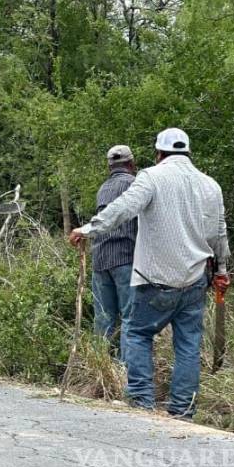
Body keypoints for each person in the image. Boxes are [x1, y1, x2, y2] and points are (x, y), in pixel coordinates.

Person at [69, 128, 231, 419]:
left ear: (159, 154)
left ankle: (142, 404)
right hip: (196, 278)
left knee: (137, 333)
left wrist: (88, 229)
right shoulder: (211, 185)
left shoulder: (151, 177)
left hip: (154, 279)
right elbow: (218, 233)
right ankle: (183, 411)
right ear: (188, 152)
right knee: (189, 344)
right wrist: (222, 270)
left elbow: (123, 209)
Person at [91, 145, 138, 356]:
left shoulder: (103, 188)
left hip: (100, 258)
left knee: (103, 317)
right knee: (130, 317)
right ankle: (126, 367)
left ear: (109, 166)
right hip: (125, 257)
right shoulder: (135, 184)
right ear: (131, 163)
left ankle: (99, 366)